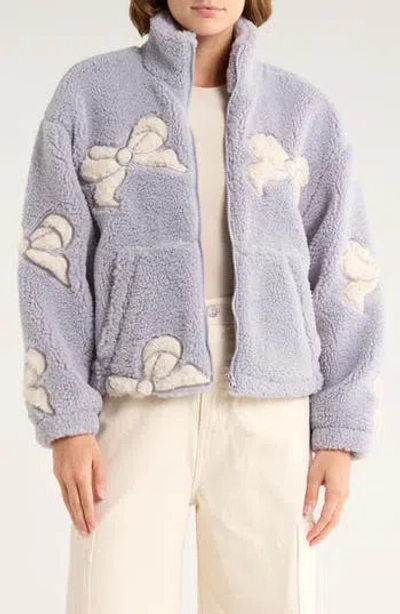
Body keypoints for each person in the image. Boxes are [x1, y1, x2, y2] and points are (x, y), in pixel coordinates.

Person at [17, 1, 385, 612]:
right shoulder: (89, 93)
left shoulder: (304, 111)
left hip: (269, 401)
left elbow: (346, 272)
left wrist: (339, 433)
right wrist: (67, 420)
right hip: (134, 396)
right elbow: (50, 265)